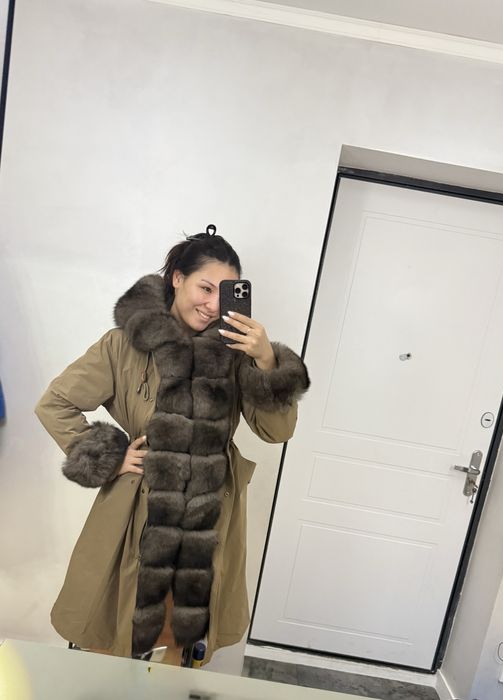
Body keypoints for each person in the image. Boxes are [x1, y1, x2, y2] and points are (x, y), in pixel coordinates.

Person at [35, 226, 310, 666]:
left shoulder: (236, 352)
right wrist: (112, 456)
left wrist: (266, 360)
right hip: (137, 516)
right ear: (178, 278)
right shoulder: (124, 344)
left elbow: (277, 431)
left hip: (208, 521)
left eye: (225, 293)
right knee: (112, 637)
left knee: (183, 644)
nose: (213, 305)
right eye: (205, 288)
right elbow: (55, 403)